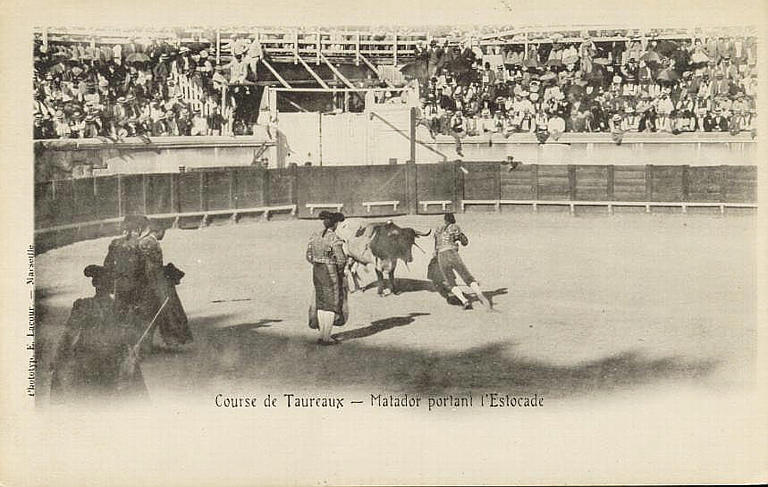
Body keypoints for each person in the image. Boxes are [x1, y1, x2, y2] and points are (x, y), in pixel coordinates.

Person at [50, 265, 148, 403]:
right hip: (113, 359)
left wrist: (59, 357)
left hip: (89, 360)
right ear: (112, 286)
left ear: (94, 284)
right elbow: (131, 335)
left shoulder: (83, 305)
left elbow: (69, 334)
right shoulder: (122, 307)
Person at [138, 221, 193, 348]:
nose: (164, 235)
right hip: (154, 282)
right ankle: (170, 340)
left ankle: (162, 341)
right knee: (165, 310)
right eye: (164, 232)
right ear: (158, 231)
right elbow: (150, 266)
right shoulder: (148, 242)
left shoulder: (148, 242)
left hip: (154, 281)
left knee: (157, 313)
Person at [432, 213, 491, 311]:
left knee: (450, 282)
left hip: (441, 256)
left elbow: (436, 246)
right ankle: (481, 297)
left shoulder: (438, 229)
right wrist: (458, 238)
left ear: (444, 220)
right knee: (467, 277)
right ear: (453, 220)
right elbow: (465, 242)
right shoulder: (455, 227)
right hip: (452, 253)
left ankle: (464, 301)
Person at [306, 211, 348, 345]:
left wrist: (318, 262)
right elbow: (341, 259)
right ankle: (326, 337)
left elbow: (308, 256)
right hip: (331, 272)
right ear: (335, 224)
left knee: (321, 301)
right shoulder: (334, 238)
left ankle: (322, 335)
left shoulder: (315, 236)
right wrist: (339, 272)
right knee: (331, 303)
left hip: (317, 271)